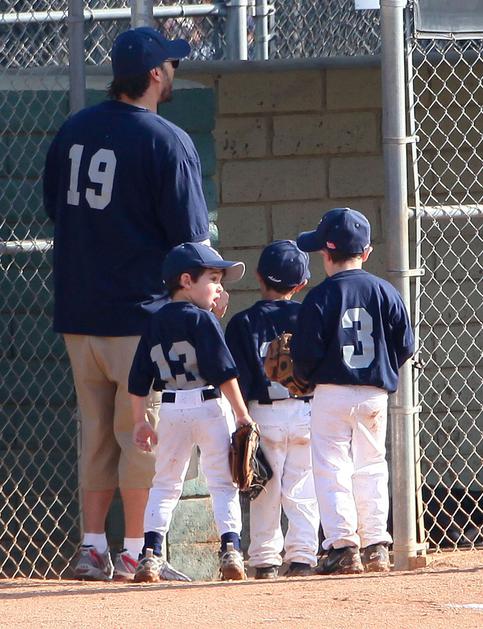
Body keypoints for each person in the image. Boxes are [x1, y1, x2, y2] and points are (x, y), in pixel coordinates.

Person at [43, 26, 212, 581]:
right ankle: (138, 552)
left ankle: (93, 547)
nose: (174, 73)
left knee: (96, 434)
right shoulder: (167, 140)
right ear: (155, 75)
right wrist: (205, 294)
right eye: (171, 65)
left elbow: (54, 208)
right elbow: (190, 240)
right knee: (142, 433)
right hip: (141, 316)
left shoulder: (73, 129)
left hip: (78, 311)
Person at [291, 208, 415, 574]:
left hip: (331, 391)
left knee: (331, 467)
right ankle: (376, 545)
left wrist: (306, 378)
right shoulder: (386, 290)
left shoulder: (319, 296)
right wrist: (382, 366)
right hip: (374, 392)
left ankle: (344, 547)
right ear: (367, 252)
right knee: (371, 464)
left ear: (325, 254)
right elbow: (405, 345)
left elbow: (306, 354)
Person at [128, 242, 253, 582]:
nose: (219, 288)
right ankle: (231, 550)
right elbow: (224, 372)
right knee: (223, 483)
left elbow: (138, 381)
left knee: (165, 483)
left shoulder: (154, 322)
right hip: (209, 405)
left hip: (170, 408)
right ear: (186, 281)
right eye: (213, 279)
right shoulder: (203, 319)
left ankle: (150, 554)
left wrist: (140, 421)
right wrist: (242, 413)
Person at [225, 241, 320, 579]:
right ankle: (302, 558)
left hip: (262, 411)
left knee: (263, 487)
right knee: (303, 487)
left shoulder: (242, 322)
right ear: (301, 284)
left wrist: (240, 419)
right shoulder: (307, 317)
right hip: (305, 409)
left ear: (258, 276)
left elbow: (237, 377)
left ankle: (265, 560)